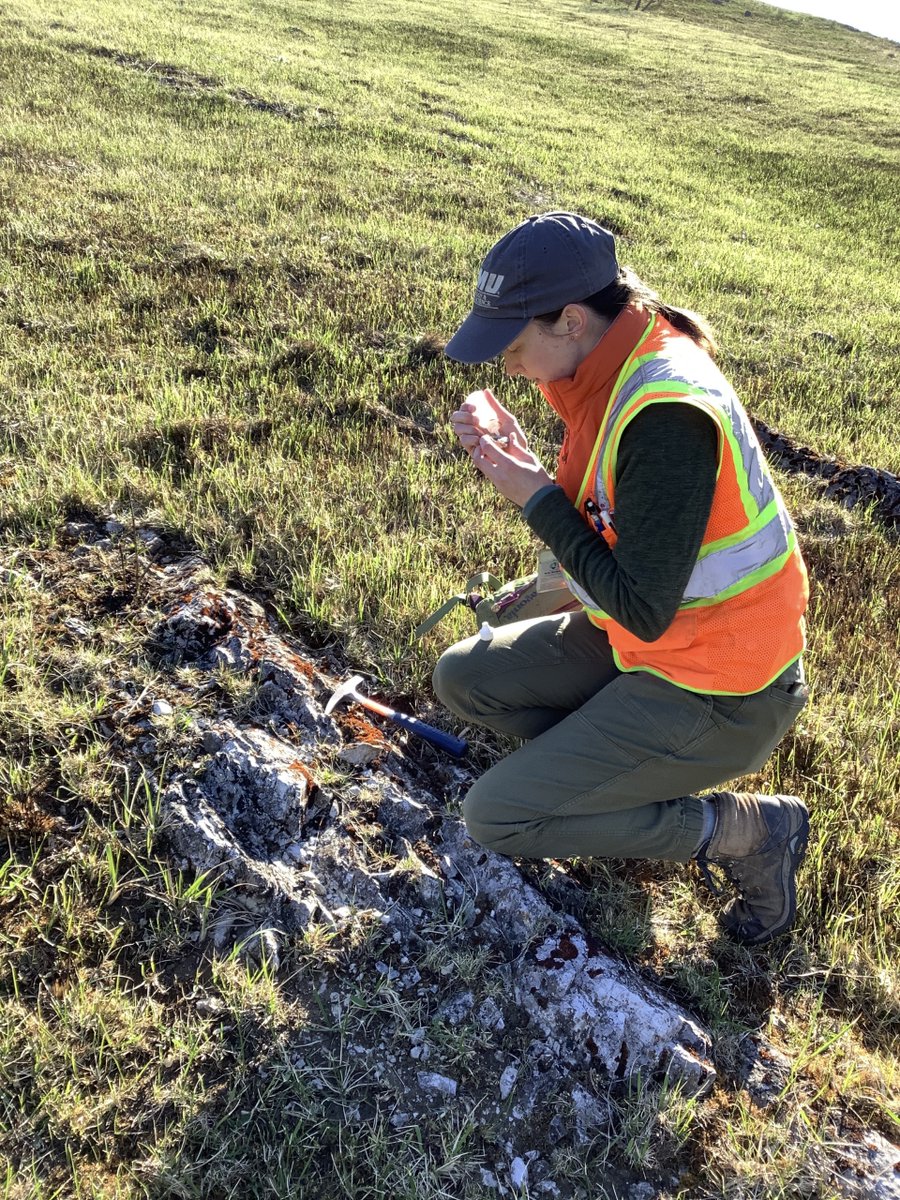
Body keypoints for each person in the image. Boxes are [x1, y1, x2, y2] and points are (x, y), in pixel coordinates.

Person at [433, 211, 811, 945]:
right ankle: (597, 779)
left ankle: (751, 832)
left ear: (571, 320)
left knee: (497, 815)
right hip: (653, 646)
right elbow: (610, 528)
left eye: (512, 343)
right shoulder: (602, 369)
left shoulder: (664, 411)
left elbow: (641, 605)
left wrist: (533, 494)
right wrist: (535, 581)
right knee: (462, 677)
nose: (504, 363)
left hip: (723, 684)